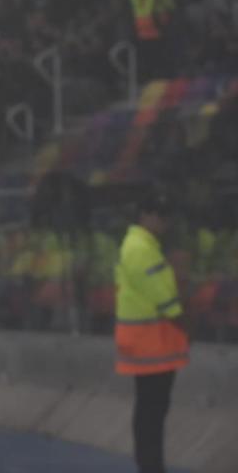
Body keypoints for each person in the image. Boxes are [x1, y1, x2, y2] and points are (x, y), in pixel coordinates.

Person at [115, 192, 188, 473]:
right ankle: (151, 465)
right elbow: (164, 298)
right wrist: (183, 318)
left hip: (149, 344)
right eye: (160, 216)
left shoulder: (142, 246)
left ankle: (150, 464)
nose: (164, 222)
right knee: (152, 410)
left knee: (150, 408)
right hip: (151, 344)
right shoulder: (141, 249)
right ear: (145, 216)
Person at [128, 0, 175, 82]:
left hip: (140, 21)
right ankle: (164, 76)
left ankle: (149, 77)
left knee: (146, 51)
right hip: (156, 19)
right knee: (162, 48)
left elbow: (133, 4)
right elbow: (168, 3)